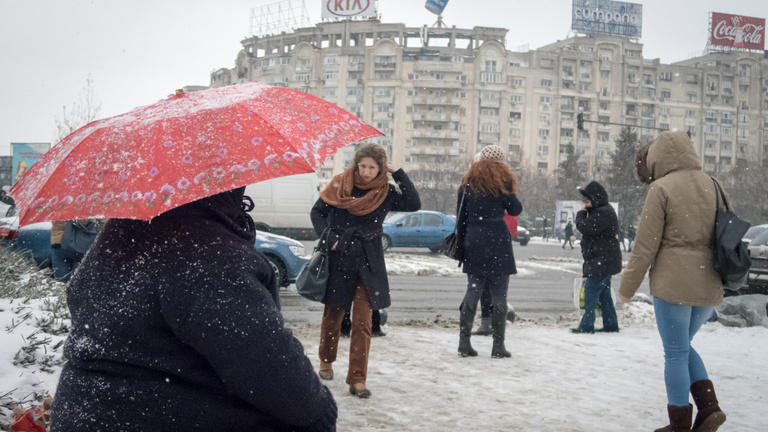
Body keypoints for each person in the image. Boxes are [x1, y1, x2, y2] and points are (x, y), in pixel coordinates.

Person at [50, 187, 337, 431]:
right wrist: (322, 414)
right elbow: (279, 380)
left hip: (83, 411)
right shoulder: (206, 251)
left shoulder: (118, 234)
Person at [619, 131, 728, 432]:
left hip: (674, 283)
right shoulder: (714, 185)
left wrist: (627, 289)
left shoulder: (661, 188)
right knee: (683, 346)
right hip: (710, 281)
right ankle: (709, 408)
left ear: (658, 158)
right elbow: (728, 233)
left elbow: (645, 246)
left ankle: (679, 423)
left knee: (676, 352)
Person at [311, 143, 420, 398]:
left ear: (380, 168)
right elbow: (317, 212)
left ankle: (358, 379)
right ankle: (326, 360)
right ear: (356, 164)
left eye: (372, 167)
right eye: (363, 166)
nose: (367, 172)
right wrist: (329, 238)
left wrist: (400, 174)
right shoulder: (341, 184)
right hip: (341, 258)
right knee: (333, 315)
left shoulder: (385, 191)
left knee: (363, 321)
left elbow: (414, 203)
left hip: (369, 262)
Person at [455, 145, 522, 359]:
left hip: (474, 240)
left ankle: (464, 343)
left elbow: (460, 218)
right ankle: (498, 346)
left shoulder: (467, 185)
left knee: (473, 290)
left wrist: (464, 243)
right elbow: (515, 209)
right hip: (498, 240)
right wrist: (509, 190)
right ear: (502, 164)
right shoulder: (503, 183)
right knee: (499, 294)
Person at [571, 181, 622, 334]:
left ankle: (586, 326)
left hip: (601, 261)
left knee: (590, 293)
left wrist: (580, 215)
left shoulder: (603, 212)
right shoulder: (602, 211)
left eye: (587, 201)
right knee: (605, 295)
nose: (585, 205)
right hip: (604, 260)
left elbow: (586, 227)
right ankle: (611, 324)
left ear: (595, 199)